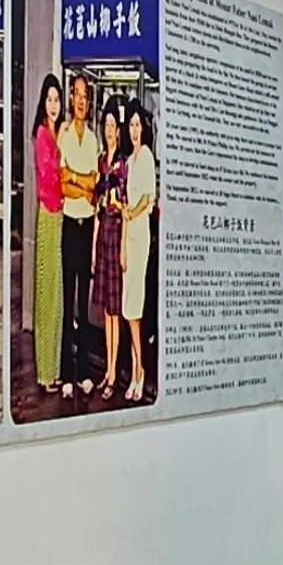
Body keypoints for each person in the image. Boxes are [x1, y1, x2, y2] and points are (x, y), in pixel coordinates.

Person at [57, 71, 102, 391]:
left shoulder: (94, 139)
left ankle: (84, 370)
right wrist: (77, 180)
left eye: (86, 96)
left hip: (87, 228)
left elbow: (94, 187)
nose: (82, 101)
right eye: (78, 94)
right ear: (71, 98)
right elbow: (63, 184)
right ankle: (65, 371)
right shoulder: (64, 134)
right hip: (70, 225)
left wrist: (79, 179)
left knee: (83, 305)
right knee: (67, 299)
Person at [89, 86, 130, 402]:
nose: (110, 130)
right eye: (106, 125)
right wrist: (93, 247)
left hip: (117, 232)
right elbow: (96, 208)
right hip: (103, 231)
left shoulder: (123, 164)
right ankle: (107, 366)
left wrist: (124, 247)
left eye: (114, 126)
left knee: (116, 309)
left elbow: (125, 208)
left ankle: (114, 371)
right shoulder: (102, 161)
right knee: (105, 308)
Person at [117, 97, 159, 404]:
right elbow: (123, 209)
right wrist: (122, 245)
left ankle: (141, 371)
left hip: (141, 234)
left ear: (143, 128)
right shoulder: (129, 162)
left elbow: (147, 198)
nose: (134, 130)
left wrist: (131, 212)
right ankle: (134, 373)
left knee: (133, 309)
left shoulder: (145, 156)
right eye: (130, 125)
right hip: (128, 236)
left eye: (137, 125)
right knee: (128, 307)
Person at [29, 75, 65, 398]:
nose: (53, 105)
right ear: (43, 102)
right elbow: (51, 176)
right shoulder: (43, 134)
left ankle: (53, 370)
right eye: (49, 99)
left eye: (57, 99)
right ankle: (44, 372)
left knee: (57, 296)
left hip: (60, 215)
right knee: (45, 295)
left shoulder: (59, 132)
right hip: (48, 215)